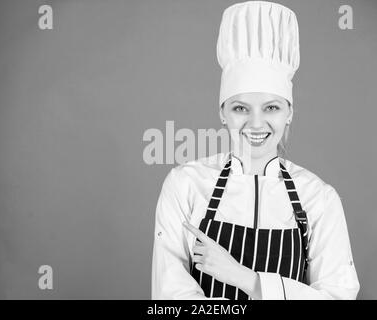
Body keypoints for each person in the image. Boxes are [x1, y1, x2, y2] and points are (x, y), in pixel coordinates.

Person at [151, 1, 360, 300]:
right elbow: (170, 296)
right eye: (240, 108)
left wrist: (246, 279)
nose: (256, 123)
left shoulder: (319, 199)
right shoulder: (185, 185)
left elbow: (337, 297)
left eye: (271, 107)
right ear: (223, 113)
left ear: (289, 113)